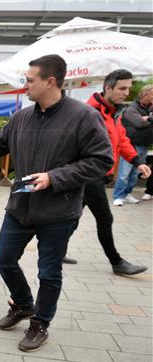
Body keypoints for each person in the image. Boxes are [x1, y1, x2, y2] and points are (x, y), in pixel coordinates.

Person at [0, 54, 114, 352]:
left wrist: (55, 177)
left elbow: (101, 161)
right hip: (20, 207)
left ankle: (40, 322)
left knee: (48, 271)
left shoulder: (83, 117)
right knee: (2, 258)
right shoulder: (22, 118)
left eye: (30, 80)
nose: (25, 85)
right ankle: (24, 303)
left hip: (59, 210)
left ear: (50, 82)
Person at [78, 70, 149, 276]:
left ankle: (55, 250)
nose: (126, 93)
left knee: (72, 217)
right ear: (107, 88)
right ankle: (116, 262)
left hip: (99, 174)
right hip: (89, 174)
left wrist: (137, 162)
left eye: (128, 88)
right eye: (122, 88)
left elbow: (121, 140)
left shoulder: (114, 112)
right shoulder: (90, 112)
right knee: (105, 218)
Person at [118, 84, 153, 202]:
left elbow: (144, 122)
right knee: (125, 172)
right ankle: (119, 196)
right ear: (145, 94)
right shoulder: (132, 107)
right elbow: (139, 123)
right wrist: (149, 119)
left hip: (144, 143)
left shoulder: (150, 107)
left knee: (135, 173)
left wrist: (147, 118)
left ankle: (127, 193)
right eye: (152, 94)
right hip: (131, 144)